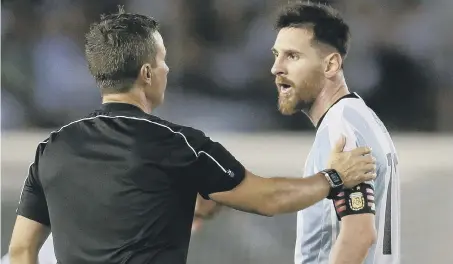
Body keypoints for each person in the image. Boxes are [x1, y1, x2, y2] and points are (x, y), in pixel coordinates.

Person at [7, 7, 377, 264]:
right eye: (164, 59)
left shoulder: (52, 148)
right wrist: (334, 178)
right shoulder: (179, 145)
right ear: (148, 73)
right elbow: (270, 198)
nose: (169, 68)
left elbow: (22, 251)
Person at [270, 2, 400, 264]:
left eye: (292, 56)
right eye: (276, 55)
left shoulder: (341, 130)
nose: (276, 68)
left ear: (330, 65)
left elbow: (360, 235)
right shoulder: (361, 117)